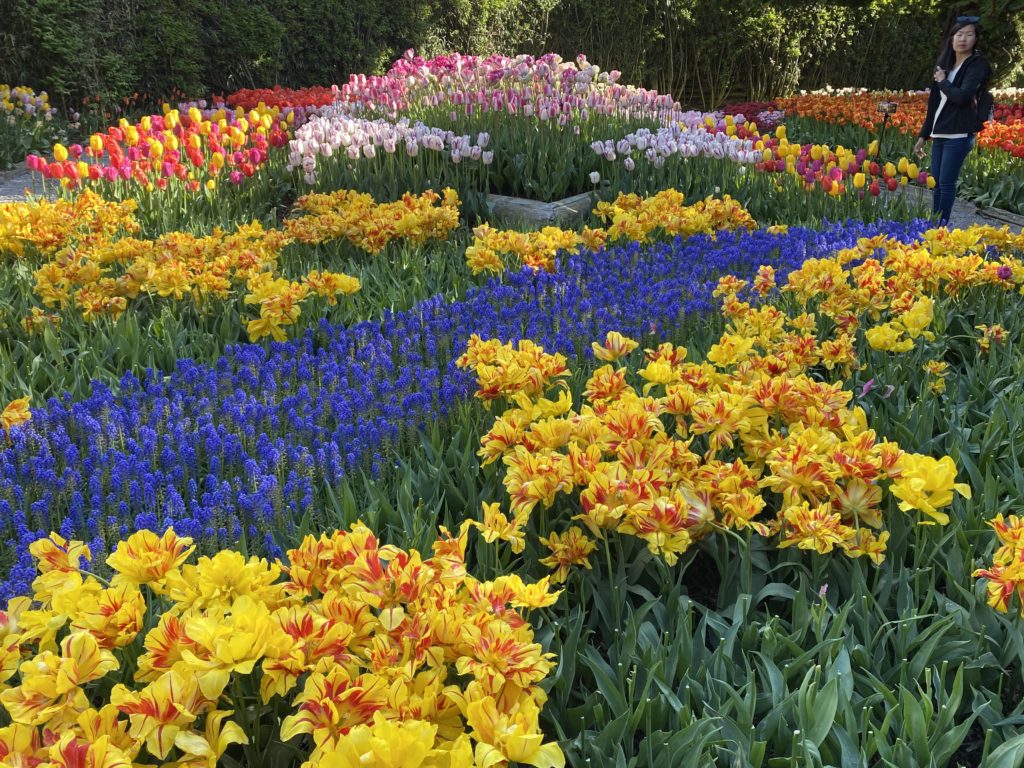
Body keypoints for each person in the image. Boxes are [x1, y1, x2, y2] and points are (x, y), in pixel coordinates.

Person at [913, 16, 991, 225]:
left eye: (969, 34)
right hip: (940, 132)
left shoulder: (977, 64)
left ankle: (941, 226)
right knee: (937, 183)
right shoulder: (944, 66)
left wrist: (943, 82)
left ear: (976, 39)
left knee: (946, 183)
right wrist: (923, 135)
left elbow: (963, 97)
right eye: (959, 34)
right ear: (952, 38)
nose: (963, 39)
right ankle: (935, 224)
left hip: (959, 133)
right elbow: (934, 104)